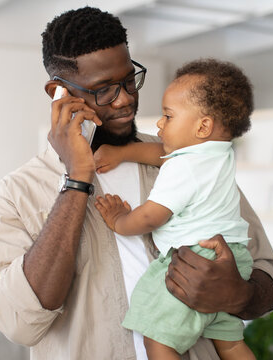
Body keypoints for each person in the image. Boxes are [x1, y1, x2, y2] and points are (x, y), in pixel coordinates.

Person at [0, 6, 273, 360]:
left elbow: (264, 274)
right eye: (103, 89)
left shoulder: (188, 158)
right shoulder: (16, 195)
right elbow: (19, 324)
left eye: (127, 80)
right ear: (59, 92)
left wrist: (238, 295)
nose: (124, 99)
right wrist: (77, 177)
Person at [94, 59, 256, 359]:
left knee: (157, 340)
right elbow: (161, 154)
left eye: (168, 116)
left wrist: (119, 220)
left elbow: (151, 216)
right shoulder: (217, 154)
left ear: (202, 125)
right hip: (233, 261)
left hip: (194, 263)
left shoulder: (183, 168)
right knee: (231, 344)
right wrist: (124, 153)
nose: (159, 124)